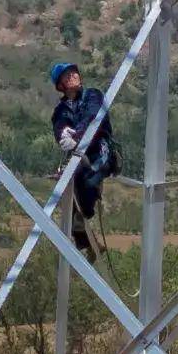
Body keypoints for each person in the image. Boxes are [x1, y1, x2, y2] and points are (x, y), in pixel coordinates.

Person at [48, 60, 120, 254]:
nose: (73, 76)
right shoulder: (61, 110)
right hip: (80, 156)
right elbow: (60, 125)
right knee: (68, 188)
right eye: (67, 75)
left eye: (74, 72)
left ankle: (84, 217)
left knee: (87, 179)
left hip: (100, 150)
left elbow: (92, 117)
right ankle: (85, 241)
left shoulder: (92, 95)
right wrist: (63, 135)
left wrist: (77, 136)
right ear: (61, 85)